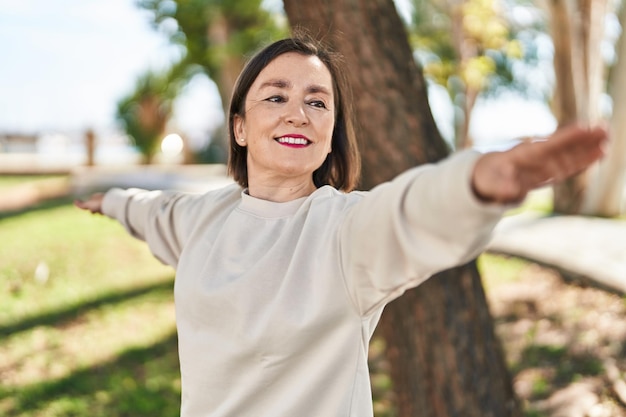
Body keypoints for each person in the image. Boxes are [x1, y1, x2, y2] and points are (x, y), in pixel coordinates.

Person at [76, 36, 607, 417]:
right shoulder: (203, 217)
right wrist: (110, 201)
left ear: (331, 132)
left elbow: (411, 213)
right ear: (238, 126)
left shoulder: (344, 232)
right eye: (276, 97)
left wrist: (481, 179)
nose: (298, 114)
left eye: (317, 101)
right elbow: (151, 210)